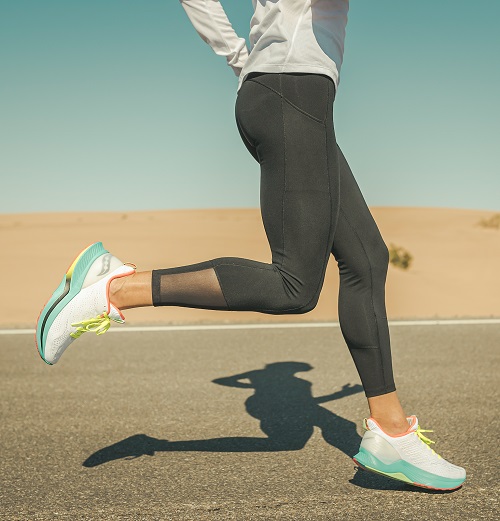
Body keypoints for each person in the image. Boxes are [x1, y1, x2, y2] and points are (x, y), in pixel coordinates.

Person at [35, 0, 465, 491]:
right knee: (294, 286)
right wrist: (247, 60)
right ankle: (115, 289)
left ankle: (390, 431)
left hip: (292, 95)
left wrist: (244, 58)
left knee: (367, 259)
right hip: (292, 93)